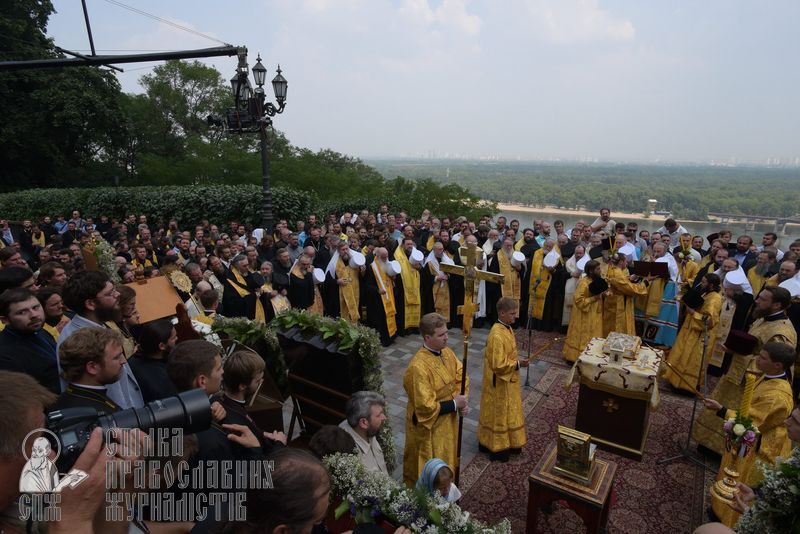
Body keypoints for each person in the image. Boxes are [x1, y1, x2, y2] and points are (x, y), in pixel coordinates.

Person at [694, 286, 797, 455]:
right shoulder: (764, 318)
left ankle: (724, 451)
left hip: (750, 384)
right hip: (737, 375)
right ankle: (709, 445)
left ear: (777, 305)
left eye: (762, 299)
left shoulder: (781, 332)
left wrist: (738, 355)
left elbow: (774, 363)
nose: (756, 301)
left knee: (738, 416)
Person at [60, 270, 144, 409]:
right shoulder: (79, 340)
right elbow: (111, 393)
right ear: (90, 304)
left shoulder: (98, 324)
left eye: (115, 290)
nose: (118, 295)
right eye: (110, 293)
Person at [403, 313, 469, 486]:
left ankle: (447, 487)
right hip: (429, 427)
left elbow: (461, 376)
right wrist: (455, 403)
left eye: (446, 332)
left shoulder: (447, 352)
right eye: (441, 335)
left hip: (448, 421)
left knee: (448, 455)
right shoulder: (418, 367)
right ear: (427, 337)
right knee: (433, 469)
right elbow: (425, 407)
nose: (446, 338)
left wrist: (461, 399)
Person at [478, 297, 528, 462]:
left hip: (508, 379)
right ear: (502, 313)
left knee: (510, 411)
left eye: (516, 313)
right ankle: (498, 447)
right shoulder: (496, 335)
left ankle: (512, 442)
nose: (515, 317)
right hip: (499, 382)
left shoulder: (507, 328)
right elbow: (498, 364)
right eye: (512, 314)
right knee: (500, 413)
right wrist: (518, 364)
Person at [662, 274, 722, 392]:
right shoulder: (706, 293)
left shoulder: (714, 299)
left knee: (691, 361)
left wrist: (693, 313)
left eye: (704, 282)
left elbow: (710, 321)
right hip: (691, 330)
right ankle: (675, 381)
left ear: (711, 285)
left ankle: (687, 387)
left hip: (700, 336)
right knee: (682, 354)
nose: (701, 284)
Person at [220, 349, 287, 455]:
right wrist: (280, 443)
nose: (261, 382)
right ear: (242, 386)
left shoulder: (223, 402)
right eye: (257, 381)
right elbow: (256, 457)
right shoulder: (235, 421)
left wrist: (262, 433)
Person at [0, 288, 60, 393]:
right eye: (22, 312)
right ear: (5, 320)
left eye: (36, 307)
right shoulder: (5, 355)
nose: (34, 315)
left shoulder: (39, 330)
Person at [52, 327, 125, 412]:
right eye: (117, 357)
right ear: (92, 367)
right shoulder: (92, 414)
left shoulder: (64, 402)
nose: (124, 361)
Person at [563, 260, 607, 362]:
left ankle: (592, 356)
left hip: (595, 313)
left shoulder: (596, 280)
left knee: (594, 333)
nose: (600, 271)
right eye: (598, 269)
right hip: (584, 316)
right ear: (591, 271)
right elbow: (578, 300)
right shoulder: (583, 283)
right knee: (583, 336)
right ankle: (576, 357)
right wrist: (594, 298)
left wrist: (603, 295)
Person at [338, 391, 390, 475]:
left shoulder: (368, 429)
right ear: (363, 423)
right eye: (379, 415)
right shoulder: (349, 455)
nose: (384, 417)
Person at [127, 319, 178, 403]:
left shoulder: (131, 361)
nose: (177, 338)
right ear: (162, 346)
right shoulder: (164, 380)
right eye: (173, 338)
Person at [604, 253, 651, 336]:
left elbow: (620, 282)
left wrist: (630, 278)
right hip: (619, 305)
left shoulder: (611, 269)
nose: (627, 263)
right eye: (625, 261)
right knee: (619, 328)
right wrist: (646, 281)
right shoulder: (617, 273)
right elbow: (631, 289)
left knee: (611, 326)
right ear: (621, 262)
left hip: (612, 302)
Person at [363, 247, 398, 346]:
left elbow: (390, 280)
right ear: (377, 256)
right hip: (377, 299)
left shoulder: (387, 264)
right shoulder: (372, 268)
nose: (386, 259)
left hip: (388, 296)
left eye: (387, 257)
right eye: (383, 257)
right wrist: (377, 290)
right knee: (380, 319)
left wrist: (393, 278)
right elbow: (367, 286)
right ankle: (383, 340)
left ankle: (391, 337)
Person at [222, 254, 265, 321]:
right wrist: (254, 295)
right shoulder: (230, 281)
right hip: (241, 316)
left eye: (248, 265)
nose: (247, 268)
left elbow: (254, 288)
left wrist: (260, 291)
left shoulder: (248, 273)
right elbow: (232, 303)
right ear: (237, 266)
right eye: (244, 266)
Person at [394, 237, 422, 334]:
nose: (410, 246)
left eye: (411, 244)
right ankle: (404, 329)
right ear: (402, 245)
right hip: (403, 286)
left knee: (415, 305)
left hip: (415, 285)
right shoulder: (397, 255)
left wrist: (419, 267)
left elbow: (421, 268)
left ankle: (414, 326)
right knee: (403, 308)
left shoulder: (415, 254)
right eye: (408, 244)